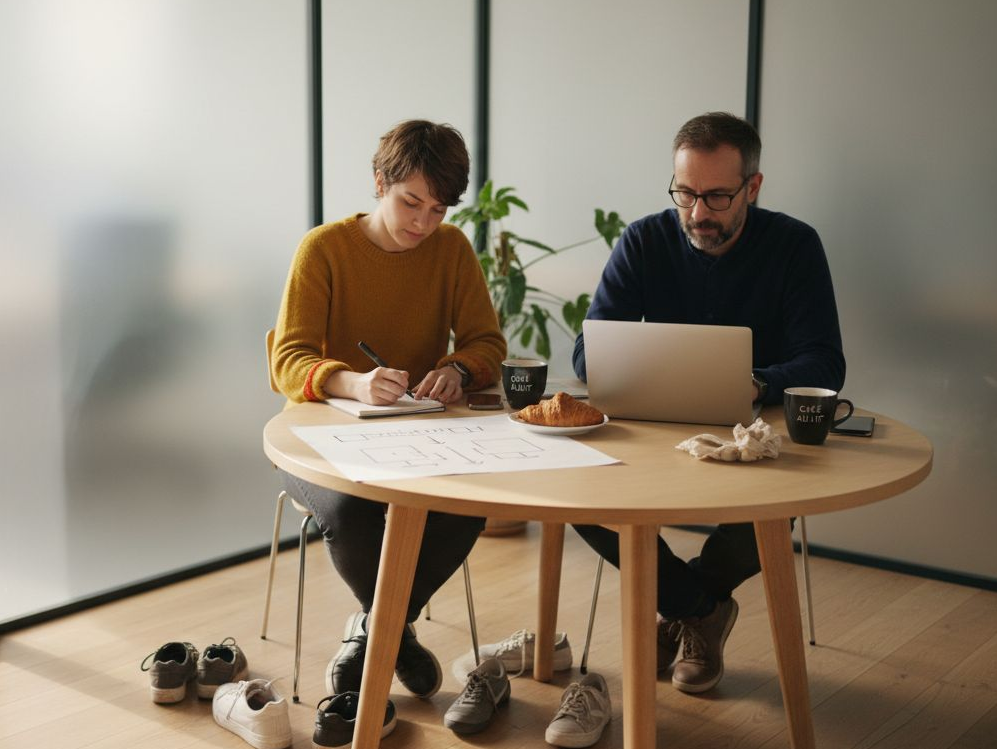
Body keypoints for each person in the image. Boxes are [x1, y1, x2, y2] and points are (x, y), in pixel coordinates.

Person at [571, 111, 845, 694]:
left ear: (753, 186)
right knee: (575, 497)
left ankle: (684, 610)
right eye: (685, 193)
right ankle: (699, 609)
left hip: (757, 436)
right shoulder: (645, 239)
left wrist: (757, 383)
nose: (697, 214)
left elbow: (825, 362)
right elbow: (587, 352)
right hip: (650, 431)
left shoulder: (795, 246)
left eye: (717, 197)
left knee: (765, 518)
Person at [271, 119, 508, 701]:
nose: (423, 224)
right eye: (411, 203)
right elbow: (288, 360)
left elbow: (488, 345)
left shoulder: (450, 251)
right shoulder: (324, 250)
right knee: (352, 510)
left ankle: (376, 630)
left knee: (467, 506)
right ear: (380, 182)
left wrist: (456, 370)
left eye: (438, 210)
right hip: (319, 443)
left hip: (420, 441)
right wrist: (353, 383)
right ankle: (393, 636)